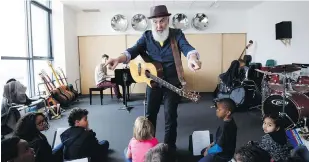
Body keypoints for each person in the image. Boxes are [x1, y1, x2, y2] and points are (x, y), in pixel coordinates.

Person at [104, 5, 202, 151]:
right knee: (149, 116)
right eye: (155, 22)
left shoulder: (177, 34)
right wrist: (118, 58)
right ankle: (149, 147)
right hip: (153, 83)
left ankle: (169, 149)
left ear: (168, 20)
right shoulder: (147, 36)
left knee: (170, 118)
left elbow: (187, 48)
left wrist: (192, 58)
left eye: (162, 21)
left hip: (172, 84)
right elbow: (133, 50)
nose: (159, 26)